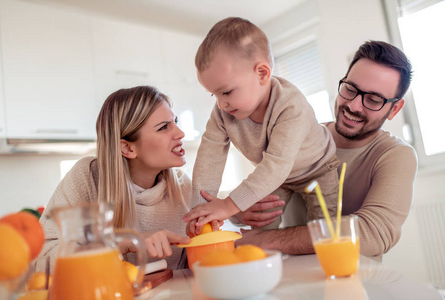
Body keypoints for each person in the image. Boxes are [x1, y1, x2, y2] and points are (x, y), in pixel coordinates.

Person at [235, 40, 417, 260]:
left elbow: (373, 233)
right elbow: (252, 199)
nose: (353, 106)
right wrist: (241, 211)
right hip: (290, 281)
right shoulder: (299, 138)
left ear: (394, 109)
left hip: (353, 282)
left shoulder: (395, 155)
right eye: (350, 89)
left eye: (373, 99)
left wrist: (266, 240)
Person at [183, 17, 339, 235]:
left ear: (262, 74)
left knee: (326, 231)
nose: (220, 103)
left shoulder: (291, 106)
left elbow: (276, 166)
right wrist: (201, 211)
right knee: (261, 225)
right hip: (277, 177)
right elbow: (210, 157)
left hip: (318, 169)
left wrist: (228, 206)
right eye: (214, 94)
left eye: (226, 92)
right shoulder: (223, 112)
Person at [37, 86, 192, 270]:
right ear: (127, 148)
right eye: (164, 127)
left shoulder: (182, 187)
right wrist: (118, 243)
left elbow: (191, 267)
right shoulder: (87, 178)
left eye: (174, 121)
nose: (180, 133)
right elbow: (40, 262)